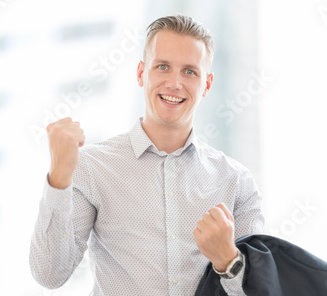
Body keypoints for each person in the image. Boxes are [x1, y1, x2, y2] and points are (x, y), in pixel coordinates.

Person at [29, 15, 265, 295]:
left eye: (190, 71)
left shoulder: (237, 182)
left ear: (207, 84)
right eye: (162, 66)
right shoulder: (92, 168)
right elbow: (49, 274)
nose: (174, 83)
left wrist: (228, 261)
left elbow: (262, 290)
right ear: (141, 73)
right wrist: (58, 178)